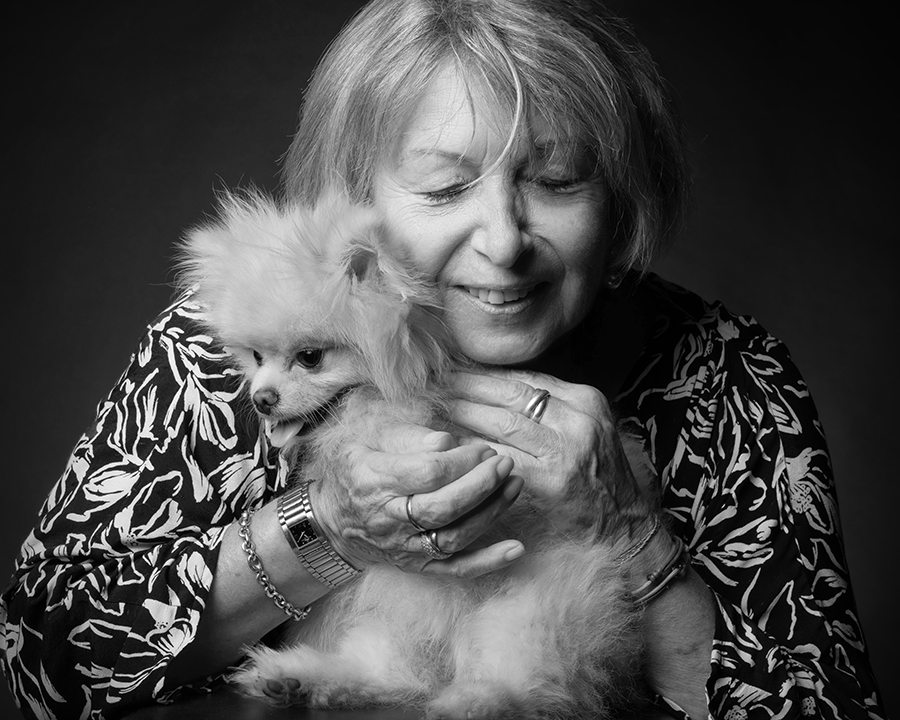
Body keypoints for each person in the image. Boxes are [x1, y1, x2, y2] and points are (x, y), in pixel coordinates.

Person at [0, 0, 886, 718]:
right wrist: (325, 531)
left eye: (557, 180)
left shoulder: (730, 377)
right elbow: (41, 659)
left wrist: (628, 533)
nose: (503, 242)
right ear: (356, 204)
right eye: (444, 186)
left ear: (619, 204)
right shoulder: (236, 338)